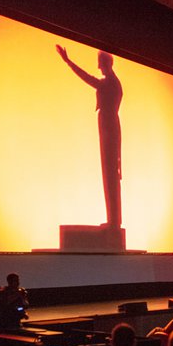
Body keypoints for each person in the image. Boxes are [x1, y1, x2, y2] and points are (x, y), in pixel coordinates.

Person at [56, 45, 123, 228]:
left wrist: (68, 62)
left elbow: (88, 78)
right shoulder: (112, 82)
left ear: (106, 63)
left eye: (100, 64)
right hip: (108, 129)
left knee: (110, 174)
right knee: (109, 174)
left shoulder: (110, 83)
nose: (99, 67)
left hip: (109, 130)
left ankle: (114, 221)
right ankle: (113, 220)